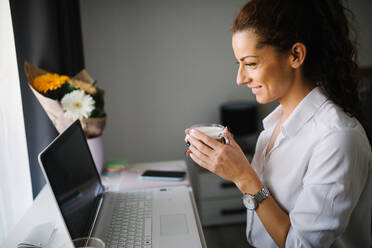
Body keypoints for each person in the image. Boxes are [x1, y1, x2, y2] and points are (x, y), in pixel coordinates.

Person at [185, 0, 372, 247]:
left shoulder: (338, 139)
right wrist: (233, 166)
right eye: (238, 64)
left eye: (250, 63)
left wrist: (244, 176)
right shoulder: (275, 124)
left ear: (296, 55)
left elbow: (300, 244)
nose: (240, 78)